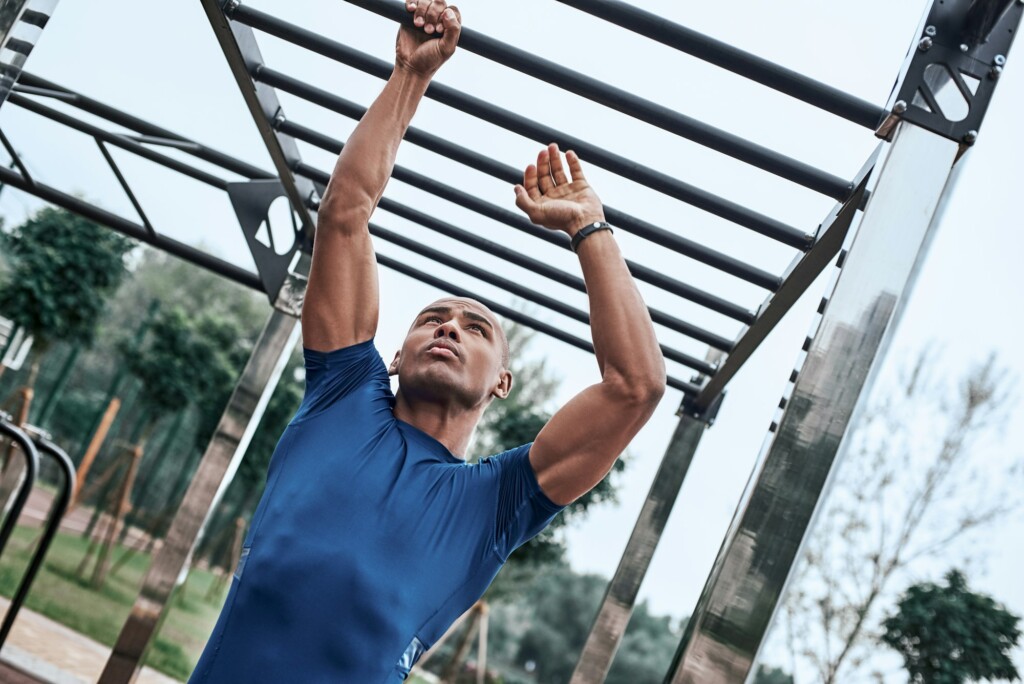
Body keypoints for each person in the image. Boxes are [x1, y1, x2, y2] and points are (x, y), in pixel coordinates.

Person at [189, 1, 665, 681]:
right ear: (393, 355)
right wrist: (410, 75)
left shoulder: (499, 504)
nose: (449, 326)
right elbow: (346, 213)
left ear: (503, 380)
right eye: (432, 318)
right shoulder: (341, 396)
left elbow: (635, 388)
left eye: (477, 329)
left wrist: (590, 227)